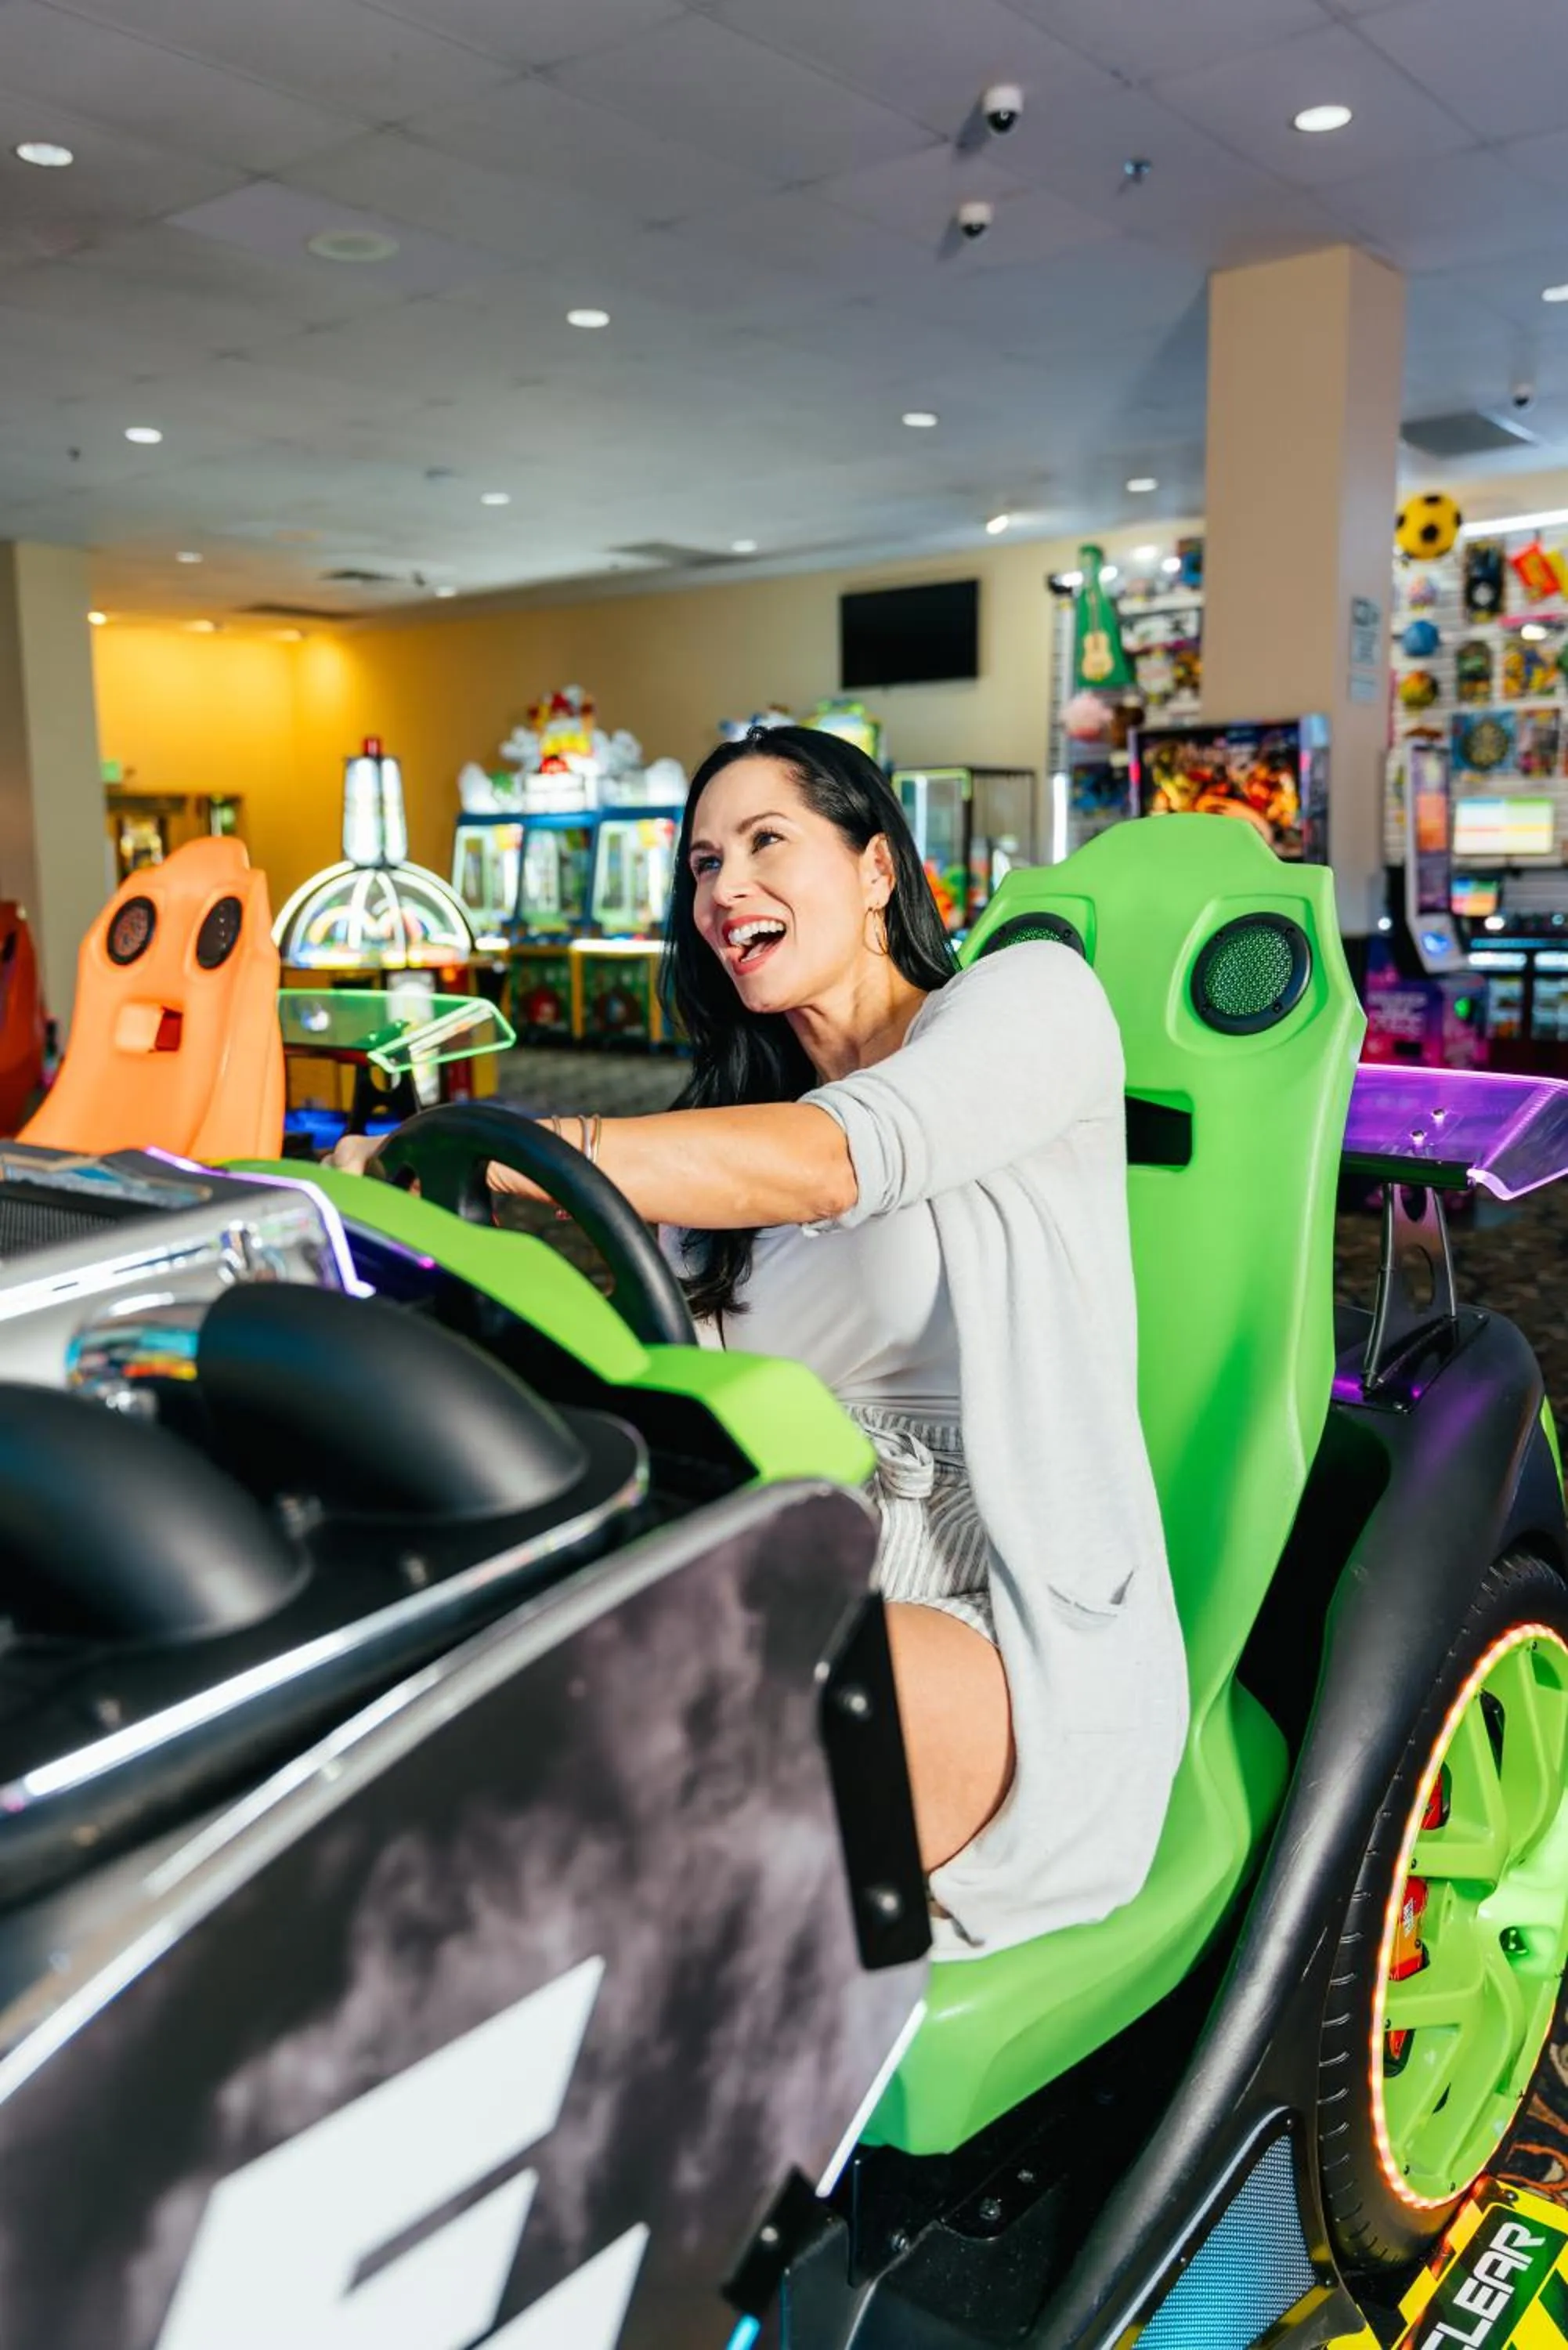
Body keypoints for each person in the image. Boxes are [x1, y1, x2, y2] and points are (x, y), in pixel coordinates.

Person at [333, 725, 1187, 1956]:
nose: (721, 888)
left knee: (669, 1731)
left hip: (997, 1612)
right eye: (698, 865)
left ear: (878, 870)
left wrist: (503, 1152)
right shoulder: (722, 1148)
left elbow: (840, 1160)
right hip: (771, 1554)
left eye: (765, 843)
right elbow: (676, 1393)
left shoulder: (1027, 1004)